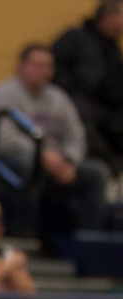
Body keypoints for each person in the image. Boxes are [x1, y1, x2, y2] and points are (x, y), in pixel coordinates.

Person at [0, 44, 110, 239]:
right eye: (37, 64)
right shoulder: (2, 95)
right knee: (27, 163)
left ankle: (88, 240)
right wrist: (44, 155)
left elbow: (76, 135)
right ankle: (22, 230)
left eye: (48, 66)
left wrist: (70, 161)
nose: (44, 70)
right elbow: (4, 140)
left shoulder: (59, 98)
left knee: (97, 173)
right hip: (7, 165)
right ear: (21, 66)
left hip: (55, 165)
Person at [53, 1, 123, 174]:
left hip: (103, 114)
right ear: (108, 17)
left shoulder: (113, 50)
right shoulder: (75, 38)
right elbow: (55, 72)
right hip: (77, 111)